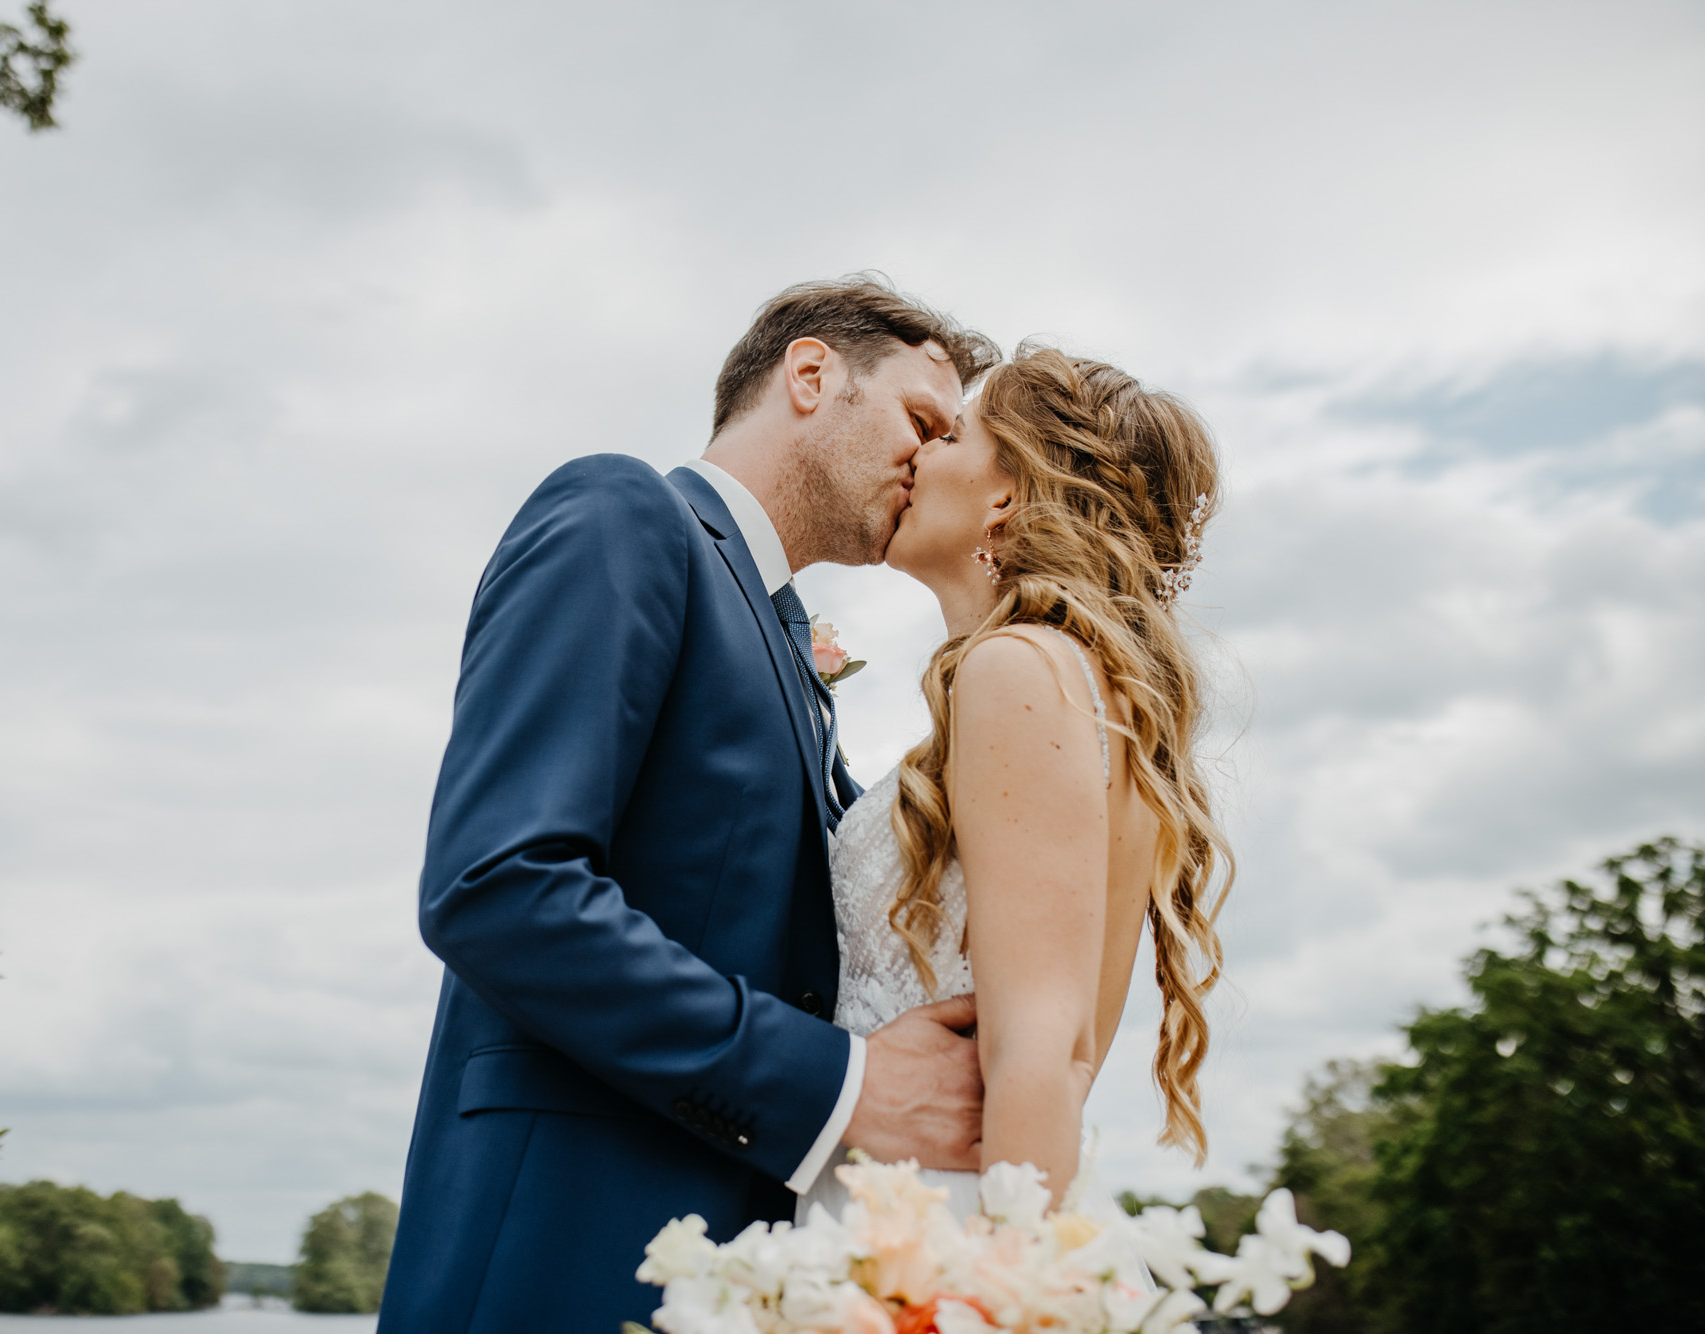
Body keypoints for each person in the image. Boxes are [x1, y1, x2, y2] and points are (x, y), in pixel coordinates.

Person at [379, 277, 1001, 1334]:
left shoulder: (795, 651)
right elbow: (499, 886)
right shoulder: (622, 513)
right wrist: (840, 1086)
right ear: (811, 374)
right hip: (562, 1256)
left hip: (739, 1276)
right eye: (921, 419)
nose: (932, 457)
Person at [801, 342, 1231, 1226]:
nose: (918, 453)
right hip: (927, 1199)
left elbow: (1042, 1045)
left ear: (1006, 496)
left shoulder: (1019, 669)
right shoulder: (1086, 690)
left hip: (937, 1220)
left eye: (953, 435)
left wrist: (1004, 1281)